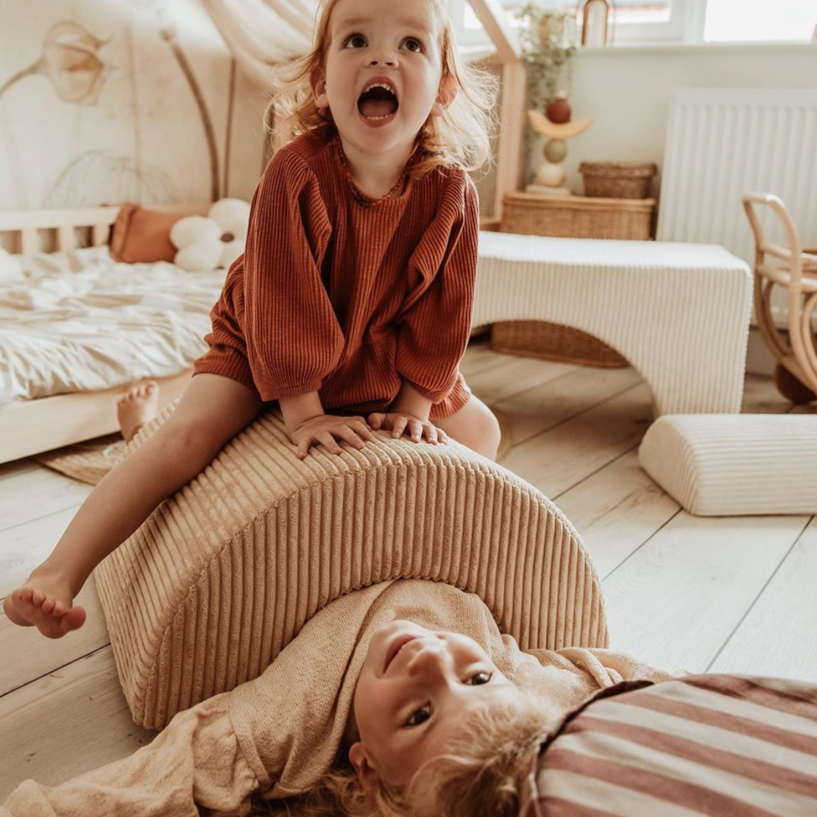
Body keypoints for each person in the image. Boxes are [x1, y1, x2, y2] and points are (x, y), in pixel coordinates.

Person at [4, 0, 500, 638]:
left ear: (444, 87)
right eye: (356, 41)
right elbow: (282, 303)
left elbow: (443, 312)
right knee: (187, 436)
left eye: (411, 45)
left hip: (380, 345)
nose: (382, 56)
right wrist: (305, 412)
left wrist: (413, 405)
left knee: (481, 433)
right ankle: (58, 571)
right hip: (262, 336)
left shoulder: (452, 192)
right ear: (321, 82)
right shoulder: (296, 172)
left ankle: (440, 566)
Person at [0, 580, 670, 817]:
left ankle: (139, 432)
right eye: (476, 680)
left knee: (177, 444)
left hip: (301, 513)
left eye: (417, 714)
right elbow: (630, 686)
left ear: (365, 766)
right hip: (422, 484)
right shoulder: (535, 692)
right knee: (478, 424)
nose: (432, 658)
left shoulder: (297, 722)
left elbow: (163, 776)